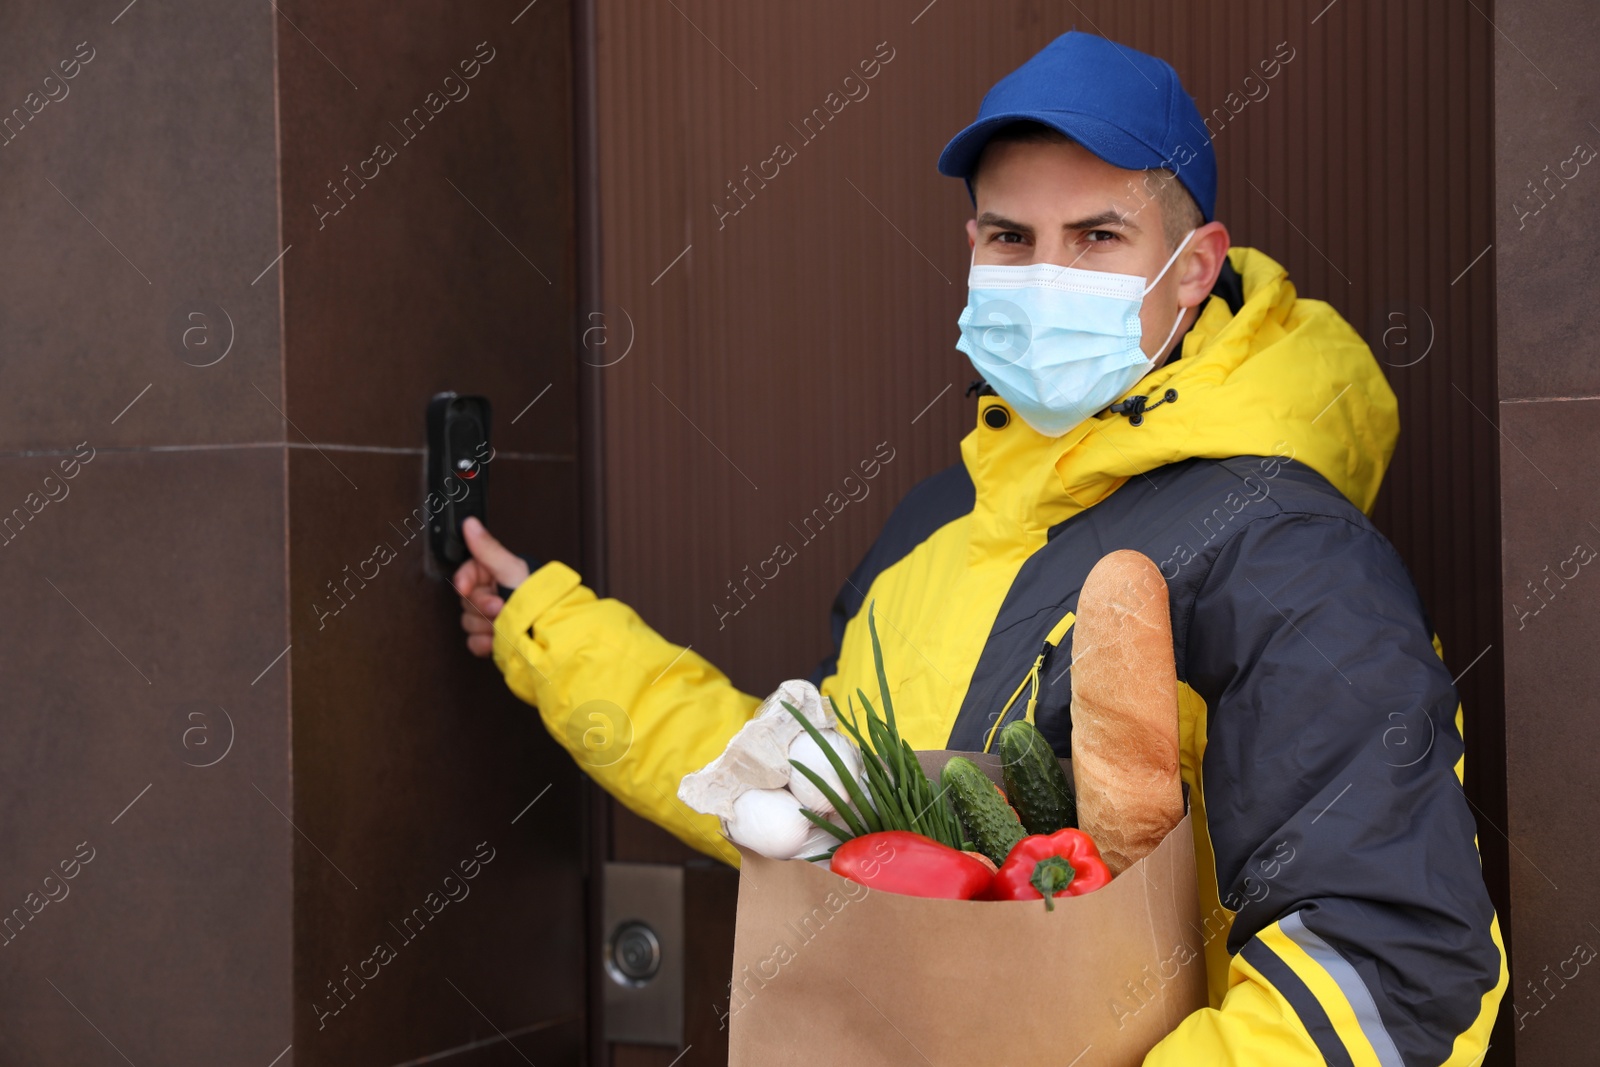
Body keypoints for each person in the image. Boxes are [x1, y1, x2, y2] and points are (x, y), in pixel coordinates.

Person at [453, 30, 1505, 1064]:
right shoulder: (930, 524)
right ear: (971, 254)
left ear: (1192, 270)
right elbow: (814, 801)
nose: (1045, 273)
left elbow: (1392, 966)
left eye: (1097, 237)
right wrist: (550, 630)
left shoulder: (1285, 546)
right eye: (1011, 237)